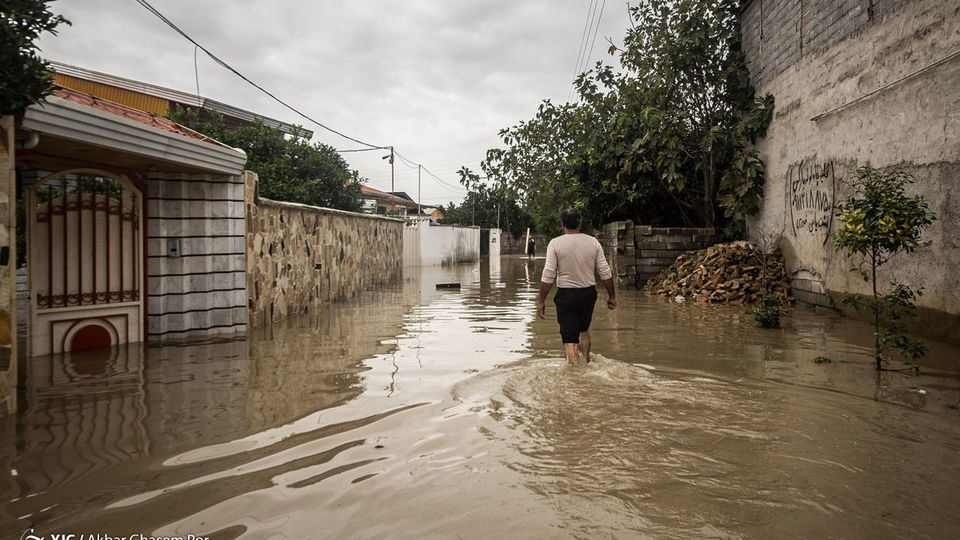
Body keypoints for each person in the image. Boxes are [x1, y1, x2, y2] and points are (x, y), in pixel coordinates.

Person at [536, 208, 616, 365]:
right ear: (580, 223)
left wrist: (541, 300)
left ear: (562, 224)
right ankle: (586, 363)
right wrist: (611, 296)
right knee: (584, 330)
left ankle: (575, 374)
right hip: (588, 294)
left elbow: (548, 275)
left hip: (566, 296)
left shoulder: (555, 243)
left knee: (570, 338)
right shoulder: (593, 242)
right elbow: (605, 272)